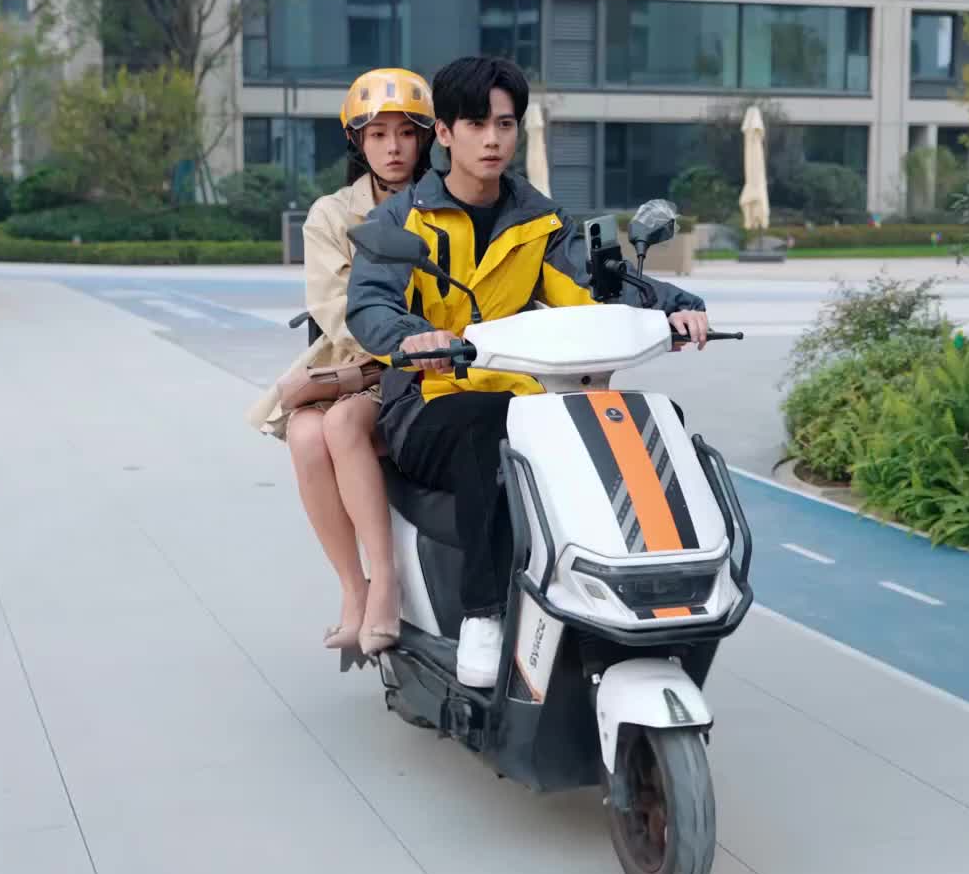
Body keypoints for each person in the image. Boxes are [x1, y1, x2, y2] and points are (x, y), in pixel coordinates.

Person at [346, 56, 708, 689]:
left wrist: (675, 308)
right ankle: (483, 614)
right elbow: (371, 304)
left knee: (645, 421)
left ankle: (650, 586)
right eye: (476, 124)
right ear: (445, 133)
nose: (493, 139)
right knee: (490, 430)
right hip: (428, 400)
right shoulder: (401, 221)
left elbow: (601, 285)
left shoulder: (542, 222)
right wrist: (413, 338)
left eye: (506, 124)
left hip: (525, 397)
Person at [248, 69, 435, 656]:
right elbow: (332, 307)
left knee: (342, 423)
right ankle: (354, 589)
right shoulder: (332, 214)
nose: (393, 147)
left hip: (424, 365)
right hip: (356, 359)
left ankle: (386, 582)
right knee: (306, 436)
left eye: (405, 133)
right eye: (377, 134)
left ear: (427, 137)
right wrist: (393, 338)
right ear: (357, 141)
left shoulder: (443, 200)